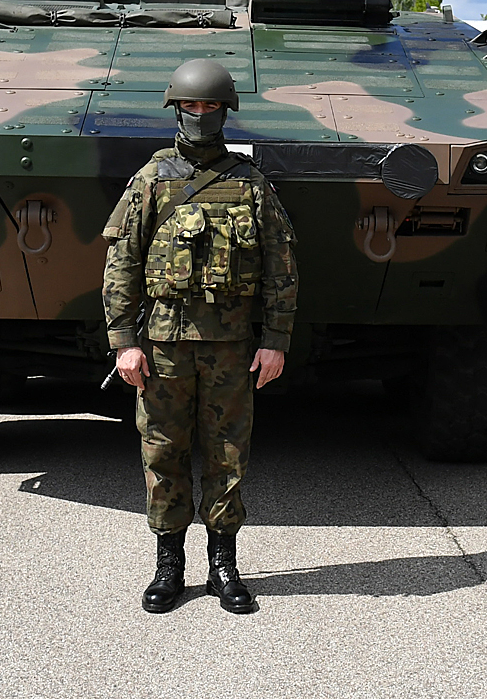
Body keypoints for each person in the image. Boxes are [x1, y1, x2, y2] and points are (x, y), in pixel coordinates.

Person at [102, 58, 297, 615]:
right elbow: (122, 263)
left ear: (225, 111)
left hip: (231, 346)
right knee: (162, 449)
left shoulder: (249, 183)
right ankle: (169, 563)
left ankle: (223, 563)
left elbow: (281, 266)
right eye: (191, 104)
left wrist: (276, 339)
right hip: (162, 345)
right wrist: (124, 342)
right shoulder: (151, 179)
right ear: (176, 108)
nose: (200, 113)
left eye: (210, 105)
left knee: (227, 452)